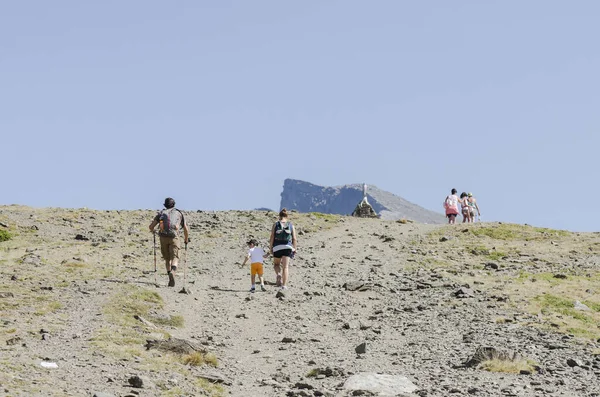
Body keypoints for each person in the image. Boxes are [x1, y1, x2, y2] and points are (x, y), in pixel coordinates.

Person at [149, 197, 190, 287]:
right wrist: (186, 239)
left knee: (167, 259)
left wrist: (154, 231)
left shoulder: (161, 213)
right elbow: (185, 228)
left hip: (163, 237)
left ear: (165, 205)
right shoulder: (179, 213)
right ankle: (173, 271)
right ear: (174, 204)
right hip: (174, 237)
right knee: (175, 257)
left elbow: (151, 226)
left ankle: (169, 276)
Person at [269, 208, 297, 290]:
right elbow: (294, 239)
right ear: (287, 216)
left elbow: (272, 237)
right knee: (285, 267)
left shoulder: (275, 224)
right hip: (287, 247)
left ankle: (278, 274)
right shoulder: (291, 225)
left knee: (276, 264)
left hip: (277, 247)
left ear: (279, 216)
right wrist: (294, 248)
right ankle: (284, 285)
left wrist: (271, 247)